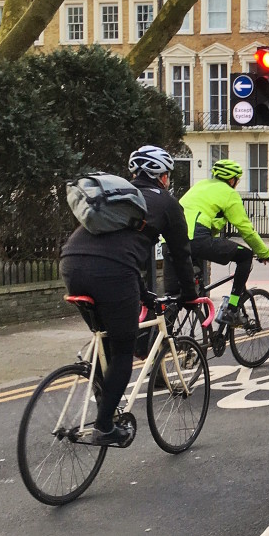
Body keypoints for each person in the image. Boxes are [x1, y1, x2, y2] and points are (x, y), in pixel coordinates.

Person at [61, 145, 199, 446]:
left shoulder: (115, 198)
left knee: (106, 340)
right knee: (124, 347)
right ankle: (104, 426)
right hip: (112, 273)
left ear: (135, 174)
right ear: (163, 176)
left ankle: (104, 407)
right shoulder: (167, 204)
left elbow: (119, 250)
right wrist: (190, 294)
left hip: (71, 264)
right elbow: (180, 254)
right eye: (168, 175)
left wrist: (144, 294)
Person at [174, 159, 269, 327]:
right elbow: (246, 230)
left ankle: (171, 333)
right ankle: (233, 308)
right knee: (245, 255)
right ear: (231, 180)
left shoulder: (200, 186)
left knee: (186, 288)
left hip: (173, 241)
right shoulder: (229, 193)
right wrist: (264, 253)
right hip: (197, 238)